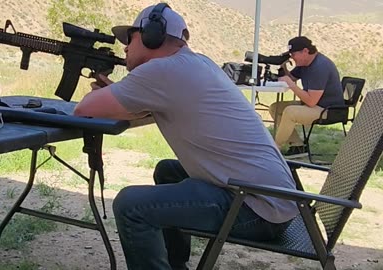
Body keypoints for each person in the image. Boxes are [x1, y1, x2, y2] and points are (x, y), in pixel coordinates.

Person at [74, 3, 298, 270]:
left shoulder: (161, 71)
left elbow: (84, 109)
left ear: (151, 35)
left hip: (257, 209)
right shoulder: (195, 63)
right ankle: (175, 264)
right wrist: (118, 94)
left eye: (129, 38)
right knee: (167, 171)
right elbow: (150, 106)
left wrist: (99, 90)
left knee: (129, 205)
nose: (124, 47)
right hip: (272, 199)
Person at [269, 36, 344, 156]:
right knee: (276, 108)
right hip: (316, 105)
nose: (292, 58)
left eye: (293, 54)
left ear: (305, 51)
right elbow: (292, 77)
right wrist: (283, 68)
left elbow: (311, 101)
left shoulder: (320, 66)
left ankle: (274, 149)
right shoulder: (305, 63)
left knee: (290, 112)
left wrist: (291, 85)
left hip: (327, 110)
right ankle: (297, 146)